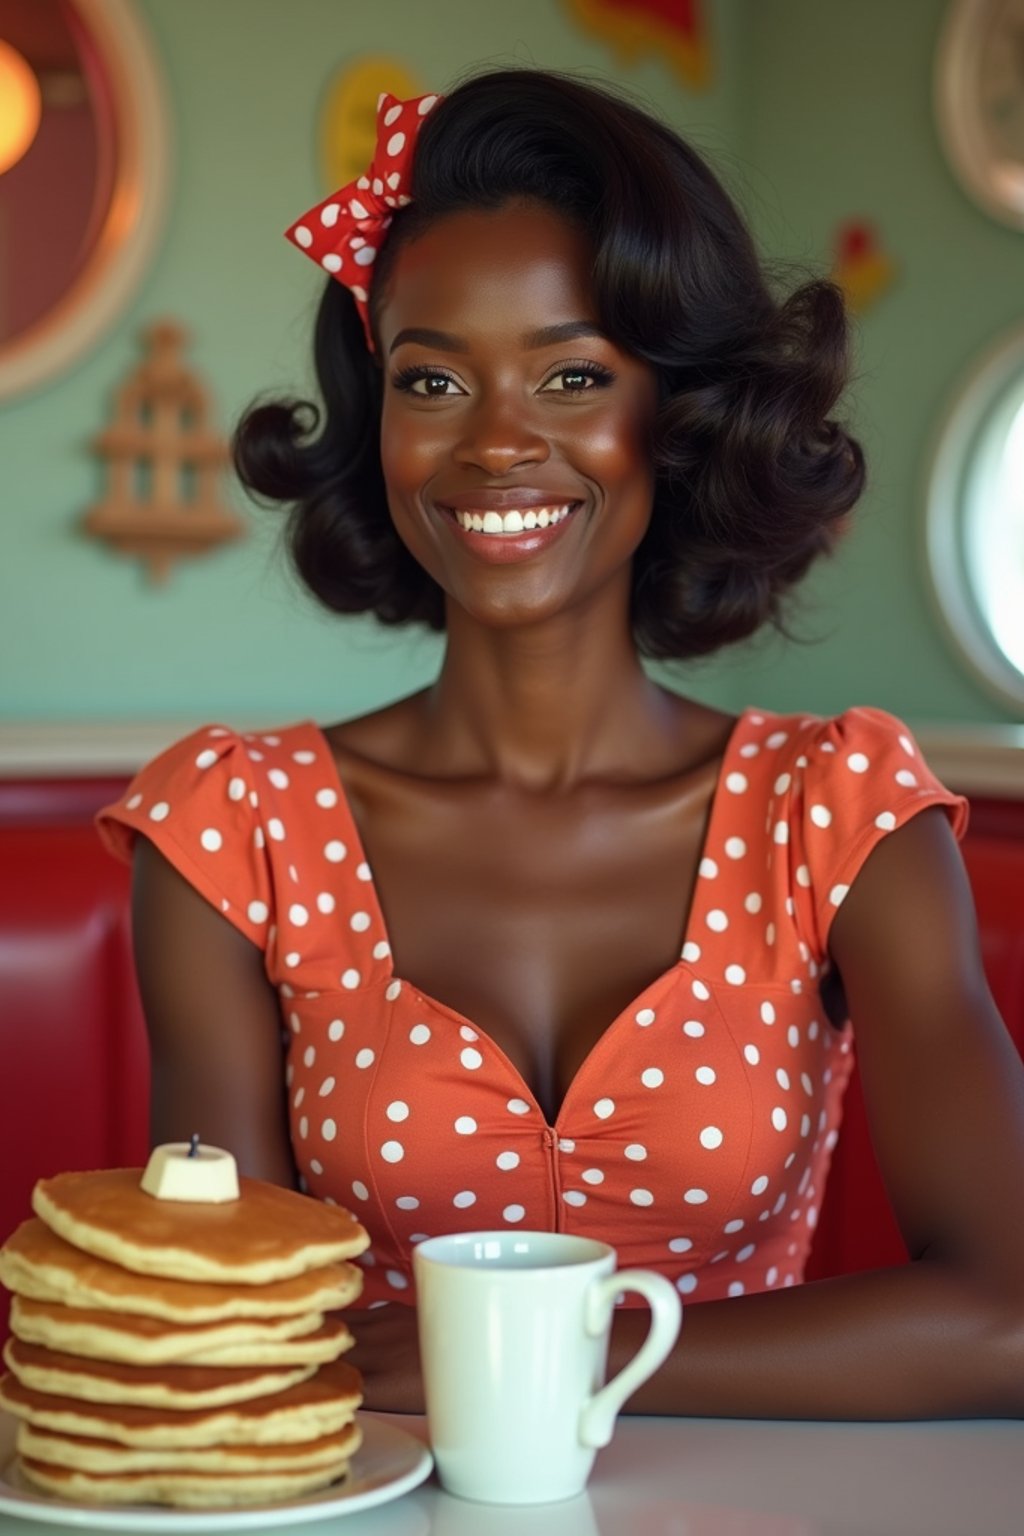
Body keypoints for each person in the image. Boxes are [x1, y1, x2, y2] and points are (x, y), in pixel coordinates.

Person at [97, 66, 1024, 1419]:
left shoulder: (841, 810)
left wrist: (539, 1359)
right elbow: (224, 1341)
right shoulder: (230, 832)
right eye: (432, 381)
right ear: (381, 424)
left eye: (572, 372)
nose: (495, 444)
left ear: (681, 411)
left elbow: (1009, 1315)